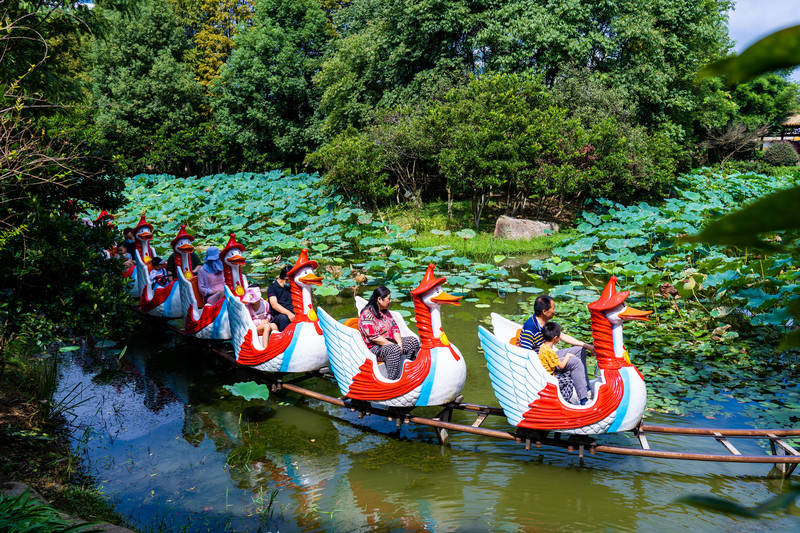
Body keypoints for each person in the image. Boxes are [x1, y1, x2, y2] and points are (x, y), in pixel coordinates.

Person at [519, 294, 594, 396]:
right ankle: (584, 398)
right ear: (544, 312)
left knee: (580, 350)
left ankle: (585, 387)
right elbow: (525, 355)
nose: (554, 311)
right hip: (543, 362)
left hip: (549, 354)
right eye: (553, 308)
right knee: (574, 361)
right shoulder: (530, 328)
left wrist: (587, 346)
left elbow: (561, 335)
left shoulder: (544, 322)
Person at [358, 286, 421, 380]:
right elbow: (374, 338)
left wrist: (399, 343)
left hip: (390, 342)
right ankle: (392, 379)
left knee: (413, 341)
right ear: (379, 299)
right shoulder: (367, 315)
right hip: (374, 348)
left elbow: (395, 328)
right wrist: (394, 345)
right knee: (394, 349)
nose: (390, 301)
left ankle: (407, 371)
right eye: (388, 298)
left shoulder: (385, 312)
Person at [538, 322, 588, 405]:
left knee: (568, 373)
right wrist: (567, 356)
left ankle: (583, 390)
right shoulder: (550, 351)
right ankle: (564, 401)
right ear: (555, 338)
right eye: (559, 336)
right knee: (569, 380)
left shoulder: (543, 347)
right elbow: (561, 366)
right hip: (550, 377)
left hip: (547, 373)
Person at [267, 265, 295, 332]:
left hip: (293, 312)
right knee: (284, 318)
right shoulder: (272, 287)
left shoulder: (291, 287)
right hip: (279, 315)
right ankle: (285, 339)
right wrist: (289, 314)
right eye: (291, 280)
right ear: (286, 279)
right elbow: (274, 305)